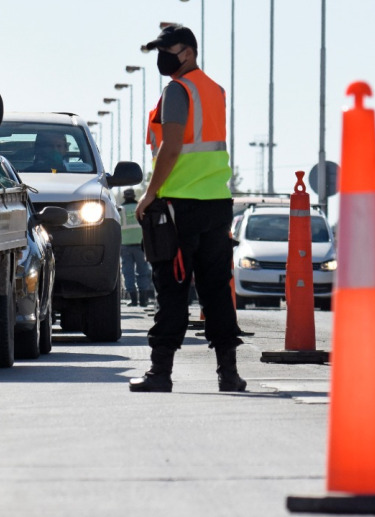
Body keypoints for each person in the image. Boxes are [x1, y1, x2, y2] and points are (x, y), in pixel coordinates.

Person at [129, 25, 245, 393]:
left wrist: (150, 194)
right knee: (215, 290)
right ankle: (229, 373)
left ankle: (160, 373)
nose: (163, 58)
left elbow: (173, 146)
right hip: (216, 204)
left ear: (189, 52)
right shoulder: (215, 91)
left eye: (169, 50)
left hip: (180, 206)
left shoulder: (177, 91)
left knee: (173, 290)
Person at [119, 188, 152, 306]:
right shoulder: (141, 207)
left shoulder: (120, 210)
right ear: (134, 196)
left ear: (124, 196)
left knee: (128, 272)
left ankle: (133, 300)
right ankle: (143, 300)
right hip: (141, 244)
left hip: (125, 245)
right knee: (143, 271)